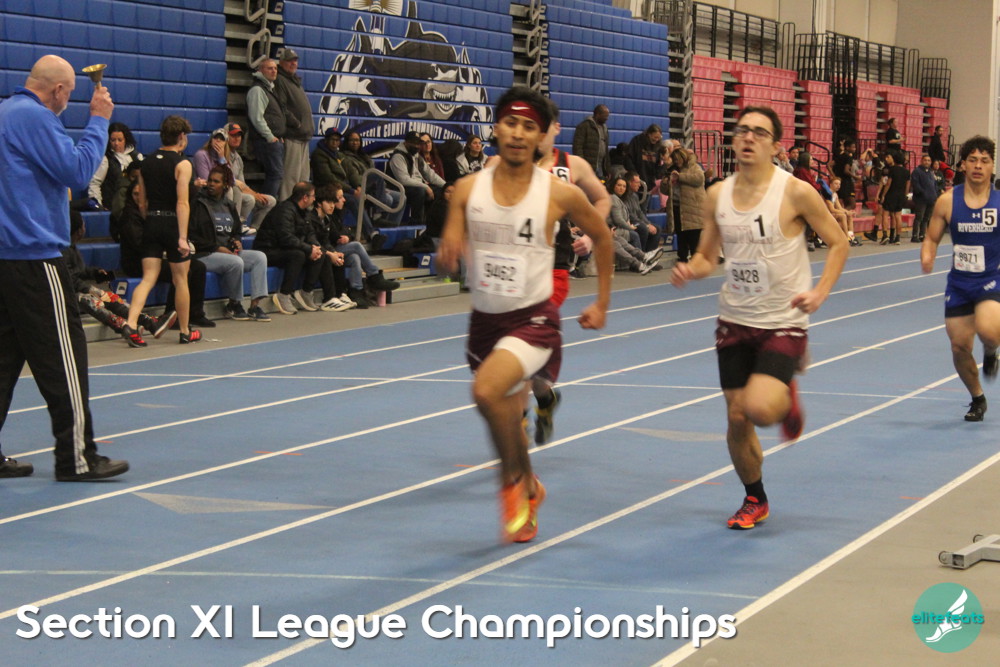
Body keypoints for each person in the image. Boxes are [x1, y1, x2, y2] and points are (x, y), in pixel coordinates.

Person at [436, 86, 613, 543]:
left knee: (486, 391)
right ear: (495, 128)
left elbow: (603, 236)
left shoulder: (559, 193)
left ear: (541, 138)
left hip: (534, 320)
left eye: (529, 127)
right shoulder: (468, 188)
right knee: (503, 410)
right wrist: (449, 248)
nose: (518, 133)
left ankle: (511, 485)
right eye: (511, 123)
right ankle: (531, 486)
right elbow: (450, 242)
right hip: (485, 322)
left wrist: (601, 301)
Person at [670, 106, 848, 530]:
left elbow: (839, 242)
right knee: (737, 417)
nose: (748, 137)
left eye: (759, 132)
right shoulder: (718, 194)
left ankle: (784, 392)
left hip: (783, 319)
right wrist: (691, 269)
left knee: (760, 410)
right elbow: (708, 256)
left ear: (775, 145)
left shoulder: (796, 192)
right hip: (735, 318)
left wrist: (820, 292)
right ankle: (755, 498)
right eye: (742, 130)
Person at [0, 54, 129, 480]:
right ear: (58, 90)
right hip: (34, 257)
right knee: (65, 358)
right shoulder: (34, 117)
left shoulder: (4, 113)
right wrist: (98, 121)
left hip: (5, 257)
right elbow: (76, 172)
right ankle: (77, 457)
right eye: (69, 94)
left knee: (3, 360)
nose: (67, 102)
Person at [920, 135, 1000, 422]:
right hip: (959, 283)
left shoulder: (999, 203)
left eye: (984, 161)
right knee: (959, 346)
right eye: (972, 160)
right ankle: (977, 398)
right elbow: (931, 237)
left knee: (990, 330)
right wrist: (927, 255)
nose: (978, 166)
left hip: (991, 279)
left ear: (992, 166)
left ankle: (991, 349)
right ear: (963, 164)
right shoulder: (947, 201)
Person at [124, 115, 202, 347]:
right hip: (172, 223)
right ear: (181, 137)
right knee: (181, 279)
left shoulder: (146, 162)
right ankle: (185, 331)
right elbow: (182, 203)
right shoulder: (183, 164)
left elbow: (142, 203)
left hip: (152, 222)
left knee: (148, 277)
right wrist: (182, 237)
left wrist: (152, 221)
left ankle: (130, 323)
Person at [65, 210, 176, 337]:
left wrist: (95, 273)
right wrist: (91, 290)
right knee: (88, 299)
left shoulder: (72, 247)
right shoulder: (63, 250)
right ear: (79, 230)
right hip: (67, 295)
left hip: (76, 290)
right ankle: (122, 326)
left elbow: (78, 271)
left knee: (111, 297)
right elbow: (68, 278)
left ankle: (149, 322)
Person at [188, 164, 272, 322]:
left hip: (227, 252)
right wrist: (216, 248)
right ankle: (234, 305)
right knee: (235, 262)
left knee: (259, 257)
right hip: (205, 253)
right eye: (210, 180)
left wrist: (236, 241)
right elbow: (192, 235)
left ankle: (254, 306)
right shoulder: (198, 204)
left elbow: (236, 231)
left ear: (225, 185)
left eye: (216, 181)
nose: (211, 184)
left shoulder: (229, 205)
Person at [312, 183, 399, 308]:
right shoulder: (327, 216)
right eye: (339, 198)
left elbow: (346, 232)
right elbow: (334, 236)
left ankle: (356, 291)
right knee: (357, 246)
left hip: (334, 249)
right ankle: (374, 276)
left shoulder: (336, 213)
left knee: (354, 257)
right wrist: (337, 246)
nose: (343, 200)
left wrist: (348, 237)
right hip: (329, 250)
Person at [340, 129, 404, 230]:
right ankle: (377, 216)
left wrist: (382, 188)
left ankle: (390, 228)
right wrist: (371, 184)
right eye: (352, 140)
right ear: (346, 142)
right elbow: (355, 178)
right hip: (359, 187)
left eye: (357, 140)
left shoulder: (364, 156)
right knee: (387, 197)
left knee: (401, 197)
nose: (355, 143)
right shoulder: (345, 157)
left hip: (374, 187)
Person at [274, 49, 314, 201]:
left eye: (295, 60)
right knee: (290, 180)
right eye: (289, 60)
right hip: (292, 137)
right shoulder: (280, 80)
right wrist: (296, 124)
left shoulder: (294, 81)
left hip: (302, 138)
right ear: (281, 62)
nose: (293, 63)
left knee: (303, 181)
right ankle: (286, 210)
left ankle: (299, 211)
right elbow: (281, 107)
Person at [225, 122, 275, 231]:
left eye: (239, 135)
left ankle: (254, 229)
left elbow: (243, 184)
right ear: (225, 136)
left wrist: (256, 194)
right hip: (228, 193)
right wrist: (254, 194)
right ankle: (237, 225)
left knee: (270, 200)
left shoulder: (238, 158)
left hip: (239, 192)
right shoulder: (222, 156)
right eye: (233, 135)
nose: (237, 138)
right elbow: (235, 184)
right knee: (248, 197)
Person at [246, 59, 285, 198]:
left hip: (273, 141)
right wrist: (270, 137)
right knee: (275, 175)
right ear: (261, 70)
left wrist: (278, 136)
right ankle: (266, 206)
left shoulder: (269, 89)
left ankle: (267, 204)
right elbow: (256, 117)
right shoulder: (258, 90)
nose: (274, 71)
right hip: (265, 141)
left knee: (275, 175)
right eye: (269, 68)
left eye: (275, 68)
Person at [388, 131, 445, 225]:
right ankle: (416, 222)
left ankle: (433, 222)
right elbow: (404, 180)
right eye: (414, 143)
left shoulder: (417, 156)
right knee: (419, 191)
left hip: (416, 185)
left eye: (418, 143)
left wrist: (446, 186)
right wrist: (425, 186)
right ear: (406, 142)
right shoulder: (398, 156)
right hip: (398, 187)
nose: (416, 146)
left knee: (440, 191)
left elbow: (430, 175)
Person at [88, 121, 141, 211]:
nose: (116, 143)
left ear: (126, 140)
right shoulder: (105, 159)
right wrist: (99, 205)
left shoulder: (137, 157)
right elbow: (95, 183)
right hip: (112, 207)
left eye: (120, 140)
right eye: (113, 140)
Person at [667, 148, 706, 263]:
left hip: (693, 208)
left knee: (694, 236)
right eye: (674, 160)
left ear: (683, 157)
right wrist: (667, 182)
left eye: (677, 159)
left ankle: (696, 260)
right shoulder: (672, 169)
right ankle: (682, 258)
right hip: (677, 206)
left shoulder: (695, 167)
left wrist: (680, 176)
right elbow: (665, 190)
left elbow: (699, 179)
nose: (676, 161)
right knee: (681, 234)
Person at [572, 104, 611, 179]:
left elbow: (606, 150)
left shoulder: (605, 128)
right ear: (598, 114)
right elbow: (577, 148)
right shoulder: (584, 126)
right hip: (587, 167)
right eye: (605, 116)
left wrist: (607, 169)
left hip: (600, 168)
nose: (607, 118)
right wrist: (582, 166)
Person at [880, 152, 909, 245]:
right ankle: (897, 237)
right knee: (898, 216)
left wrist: (883, 194)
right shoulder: (907, 171)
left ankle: (885, 235)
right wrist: (905, 195)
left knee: (885, 214)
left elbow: (888, 183)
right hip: (900, 195)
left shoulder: (892, 169)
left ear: (895, 160)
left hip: (891, 194)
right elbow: (908, 186)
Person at [910, 154, 938, 244]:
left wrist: (935, 194)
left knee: (926, 218)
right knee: (919, 217)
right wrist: (923, 193)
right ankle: (915, 235)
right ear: (921, 161)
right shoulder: (917, 171)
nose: (927, 162)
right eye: (925, 160)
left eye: (929, 160)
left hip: (931, 199)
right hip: (921, 199)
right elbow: (915, 185)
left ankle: (922, 235)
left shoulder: (931, 172)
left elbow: (934, 184)